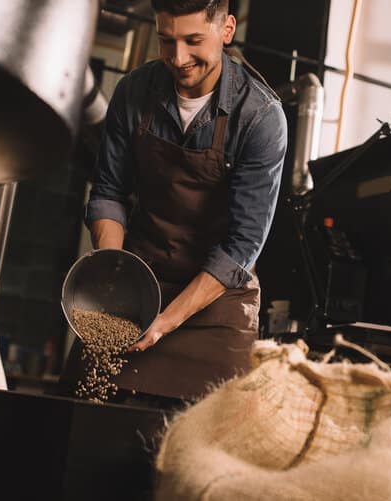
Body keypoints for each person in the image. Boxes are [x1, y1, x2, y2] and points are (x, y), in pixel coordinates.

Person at [82, 0, 287, 400]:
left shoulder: (260, 116)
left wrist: (165, 322)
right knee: (86, 413)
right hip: (141, 283)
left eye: (193, 41)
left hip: (218, 305)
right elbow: (108, 192)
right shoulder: (133, 92)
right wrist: (115, 275)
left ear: (226, 30)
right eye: (166, 40)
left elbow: (243, 245)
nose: (177, 58)